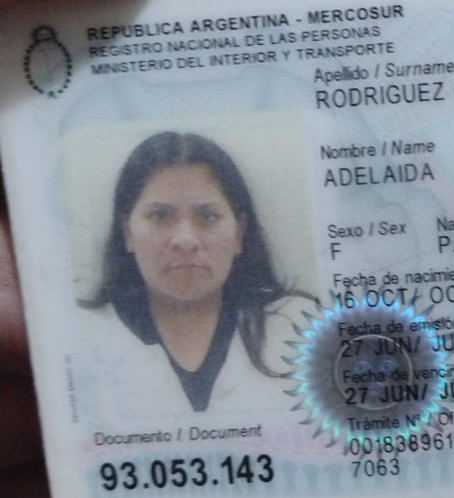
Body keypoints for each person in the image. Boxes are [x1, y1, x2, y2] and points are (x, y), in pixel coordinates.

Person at [77, 131, 314, 414]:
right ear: (128, 232)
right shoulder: (82, 333)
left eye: (207, 216)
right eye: (160, 216)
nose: (185, 240)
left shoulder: (298, 326)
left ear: (239, 233)